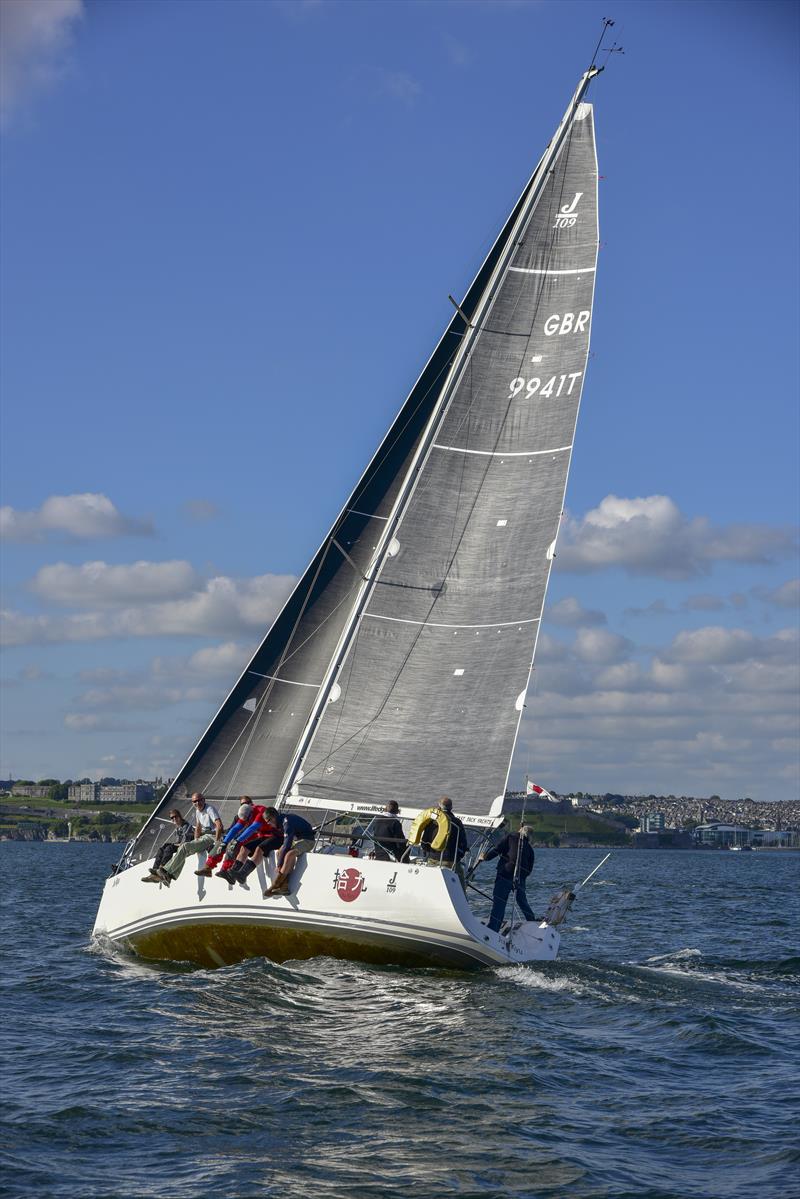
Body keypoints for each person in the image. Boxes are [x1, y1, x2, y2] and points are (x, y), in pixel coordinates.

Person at [156, 793, 224, 886]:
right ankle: (170, 876)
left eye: (199, 800)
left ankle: (166, 870)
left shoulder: (209, 809)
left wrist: (217, 842)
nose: (197, 802)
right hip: (204, 837)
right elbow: (198, 827)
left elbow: (219, 826)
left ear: (204, 800)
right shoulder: (197, 811)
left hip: (211, 835)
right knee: (183, 849)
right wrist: (196, 841)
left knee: (184, 847)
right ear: (192, 803)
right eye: (195, 801)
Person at [480, 825, 536, 932]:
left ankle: (494, 928)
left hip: (505, 873)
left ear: (520, 830)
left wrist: (485, 857)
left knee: (500, 901)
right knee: (522, 901)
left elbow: (497, 850)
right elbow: (530, 868)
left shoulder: (510, 837)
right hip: (520, 878)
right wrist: (522, 876)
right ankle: (532, 920)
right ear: (529, 836)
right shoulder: (529, 848)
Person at [221, 807, 283, 887]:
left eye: (248, 819)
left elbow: (252, 828)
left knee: (259, 849)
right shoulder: (245, 813)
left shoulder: (260, 813)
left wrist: (238, 840)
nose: (247, 822)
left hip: (274, 836)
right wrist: (224, 842)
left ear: (251, 814)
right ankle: (232, 874)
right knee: (244, 848)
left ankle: (243, 874)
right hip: (264, 836)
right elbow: (235, 828)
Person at [194, 799, 255, 877]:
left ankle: (225, 870)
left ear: (251, 803)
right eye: (242, 804)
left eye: (246, 803)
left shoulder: (255, 815)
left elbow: (250, 830)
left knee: (231, 844)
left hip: (246, 839)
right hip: (237, 837)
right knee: (221, 842)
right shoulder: (238, 817)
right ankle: (208, 868)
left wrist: (233, 838)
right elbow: (232, 828)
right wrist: (225, 837)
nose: (244, 805)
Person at [263, 808, 315, 897]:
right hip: (299, 839)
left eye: (268, 821)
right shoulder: (282, 820)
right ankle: (284, 887)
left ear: (273, 817)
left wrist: (279, 864)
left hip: (308, 840)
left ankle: (276, 884)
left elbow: (287, 845)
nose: (268, 824)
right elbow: (286, 844)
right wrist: (280, 860)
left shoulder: (286, 823)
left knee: (290, 854)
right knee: (279, 852)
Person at [141, 809, 193, 883]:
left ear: (180, 816)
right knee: (162, 849)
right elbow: (178, 841)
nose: (174, 819)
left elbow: (185, 841)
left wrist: (174, 845)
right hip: (181, 845)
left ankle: (162, 868)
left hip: (187, 846)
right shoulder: (178, 827)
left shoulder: (186, 826)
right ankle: (154, 872)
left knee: (169, 848)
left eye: (175, 816)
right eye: (172, 818)